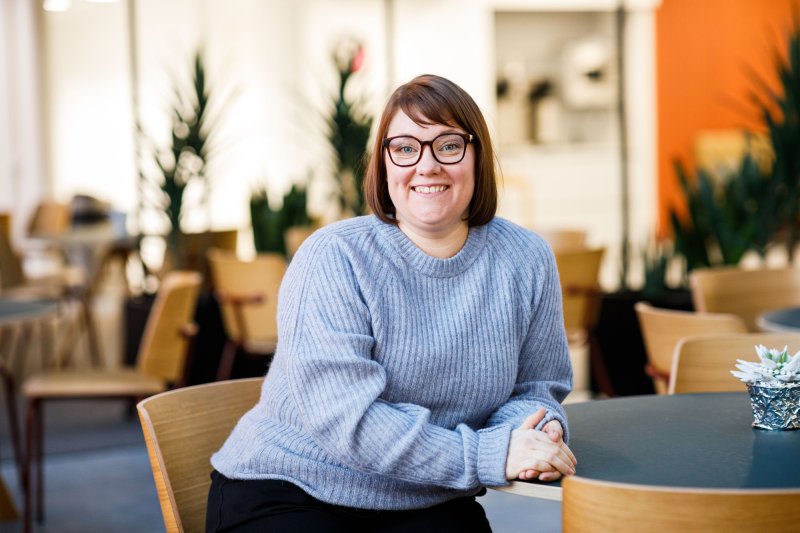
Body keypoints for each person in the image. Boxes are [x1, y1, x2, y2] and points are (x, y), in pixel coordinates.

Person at [206, 74, 577, 532]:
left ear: (478, 156)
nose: (427, 165)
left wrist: (537, 428)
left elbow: (536, 388)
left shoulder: (526, 258)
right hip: (293, 486)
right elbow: (347, 419)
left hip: (425, 495)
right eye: (405, 148)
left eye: (449, 146)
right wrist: (490, 452)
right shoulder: (335, 256)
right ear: (383, 165)